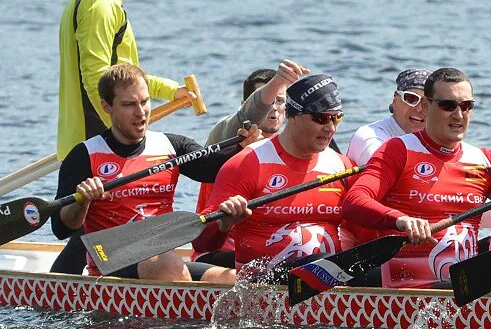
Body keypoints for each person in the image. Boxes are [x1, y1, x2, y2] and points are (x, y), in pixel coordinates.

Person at [52, 64, 251, 282]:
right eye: (129, 105)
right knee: (167, 263)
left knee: (231, 279)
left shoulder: (171, 146)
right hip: (112, 265)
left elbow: (215, 169)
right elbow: (61, 228)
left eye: (145, 102)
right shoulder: (85, 155)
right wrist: (82, 201)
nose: (140, 112)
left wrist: (247, 148)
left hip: (163, 260)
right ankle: (188, 313)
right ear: (107, 106)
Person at [341, 68, 491, 289]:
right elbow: (354, 201)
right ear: (425, 106)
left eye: (466, 106)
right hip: (408, 295)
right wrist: (401, 220)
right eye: (448, 106)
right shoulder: (398, 151)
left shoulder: (485, 160)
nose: (459, 115)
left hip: (463, 289)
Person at [57, 0, 191, 160]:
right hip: (98, 145)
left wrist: (171, 91)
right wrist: (117, 137)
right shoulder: (100, 5)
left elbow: (122, 79)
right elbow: (96, 78)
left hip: (85, 141)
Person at [198, 74, 355, 281]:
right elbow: (201, 244)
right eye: (322, 118)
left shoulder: (342, 165)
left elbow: (361, 228)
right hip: (261, 284)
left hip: (329, 280)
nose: (331, 128)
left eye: (337, 117)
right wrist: (223, 224)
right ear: (294, 116)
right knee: (323, 262)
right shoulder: (248, 163)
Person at [192, 60, 310, 266]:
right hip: (217, 254)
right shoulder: (225, 136)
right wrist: (278, 81)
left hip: (268, 253)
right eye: (269, 100)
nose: (273, 108)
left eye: (280, 101)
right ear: (244, 105)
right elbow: (243, 117)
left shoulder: (294, 146)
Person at [345, 68, 433, 167]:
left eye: (427, 103)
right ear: (395, 101)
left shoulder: (441, 141)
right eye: (411, 99)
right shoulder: (369, 137)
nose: (419, 109)